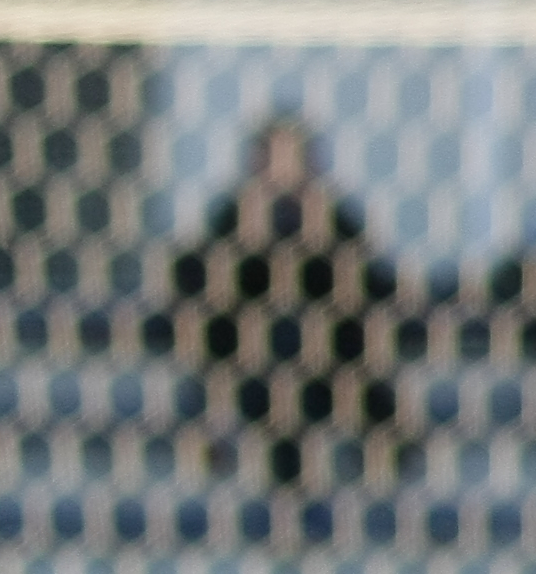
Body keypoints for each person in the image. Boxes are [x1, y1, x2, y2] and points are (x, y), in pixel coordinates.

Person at [168, 110, 394, 488]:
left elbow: (373, 283)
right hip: (248, 357)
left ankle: (380, 450)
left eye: (292, 157)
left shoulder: (330, 217)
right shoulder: (236, 216)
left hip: (326, 357)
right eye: (275, 157)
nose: (283, 169)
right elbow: (193, 280)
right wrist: (247, 244)